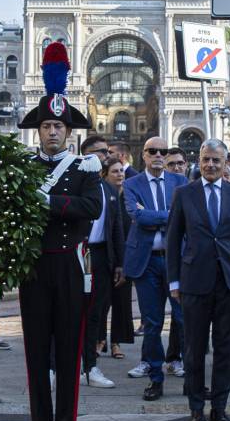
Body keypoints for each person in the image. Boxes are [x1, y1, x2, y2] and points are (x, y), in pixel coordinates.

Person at [17, 43, 102, 421]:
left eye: (59, 126)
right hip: (34, 267)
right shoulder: (23, 167)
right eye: (47, 125)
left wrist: (46, 205)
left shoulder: (85, 168)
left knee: (68, 354)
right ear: (38, 130)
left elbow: (92, 209)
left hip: (68, 265)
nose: (52, 132)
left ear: (70, 132)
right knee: (35, 356)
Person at [166, 139, 230, 421]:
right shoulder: (184, 194)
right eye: (205, 159)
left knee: (225, 349)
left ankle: (219, 409)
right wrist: (174, 281)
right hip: (194, 282)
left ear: (225, 163)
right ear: (199, 161)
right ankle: (196, 409)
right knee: (193, 349)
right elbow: (172, 240)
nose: (210, 165)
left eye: (216, 160)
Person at [122, 135, 186, 401]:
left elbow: (184, 217)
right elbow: (136, 215)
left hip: (176, 261)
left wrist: (154, 215)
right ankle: (156, 378)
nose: (159, 155)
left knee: (183, 319)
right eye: (153, 151)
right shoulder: (131, 184)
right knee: (152, 322)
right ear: (144, 156)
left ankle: (184, 369)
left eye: (163, 151)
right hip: (147, 262)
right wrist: (168, 215)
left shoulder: (180, 182)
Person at [78, 135, 125, 389]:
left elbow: (116, 227)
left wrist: (119, 263)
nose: (105, 156)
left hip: (100, 257)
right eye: (99, 152)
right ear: (85, 154)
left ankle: (90, 366)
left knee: (96, 314)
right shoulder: (73, 183)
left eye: (106, 152)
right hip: (76, 254)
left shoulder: (108, 188)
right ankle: (59, 366)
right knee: (71, 313)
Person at [102, 157, 134, 359]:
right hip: (105, 255)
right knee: (102, 301)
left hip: (126, 255)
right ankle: (99, 340)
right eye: (115, 171)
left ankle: (116, 343)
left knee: (122, 302)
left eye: (121, 171)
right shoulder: (102, 195)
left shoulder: (129, 196)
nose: (120, 174)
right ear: (105, 175)